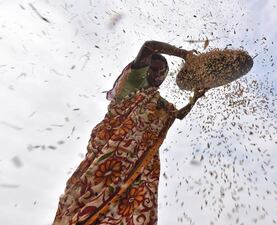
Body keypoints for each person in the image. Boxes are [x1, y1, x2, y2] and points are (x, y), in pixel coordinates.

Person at [53, 41, 206, 225]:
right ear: (145, 67)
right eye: (154, 68)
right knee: (90, 193)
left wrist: (195, 98)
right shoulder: (134, 80)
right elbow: (149, 46)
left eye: (162, 71)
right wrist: (184, 54)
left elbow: (177, 115)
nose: (157, 73)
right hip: (109, 154)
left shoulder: (157, 102)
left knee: (130, 207)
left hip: (136, 164)